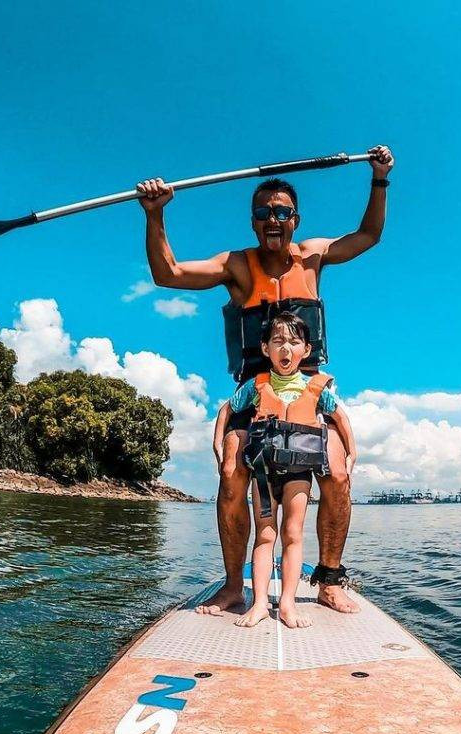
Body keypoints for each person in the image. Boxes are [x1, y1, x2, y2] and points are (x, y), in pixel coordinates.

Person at [137, 144, 393, 615]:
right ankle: (235, 585)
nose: (273, 220)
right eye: (263, 213)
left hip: (308, 395)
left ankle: (330, 579)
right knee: (231, 472)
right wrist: (155, 214)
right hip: (254, 397)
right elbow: (166, 274)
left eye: (282, 212)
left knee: (337, 473)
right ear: (253, 221)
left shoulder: (314, 257)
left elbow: (369, 234)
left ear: (295, 218)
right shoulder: (236, 265)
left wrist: (379, 177)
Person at [224, 313, 355, 629]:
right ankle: (257, 604)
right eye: (278, 342)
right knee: (265, 535)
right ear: (266, 349)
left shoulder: (315, 387)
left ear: (306, 350)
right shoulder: (256, 386)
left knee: (293, 534)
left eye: (294, 342)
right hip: (263, 473)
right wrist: (219, 446)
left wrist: (352, 452)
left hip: (298, 474)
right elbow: (227, 410)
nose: (286, 349)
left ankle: (286, 604)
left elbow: (340, 418)